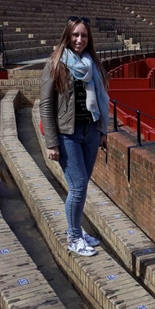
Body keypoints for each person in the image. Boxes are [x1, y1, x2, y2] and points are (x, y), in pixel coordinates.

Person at [40, 16, 109, 256]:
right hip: (67, 135)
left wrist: (102, 131)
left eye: (84, 35)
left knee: (82, 186)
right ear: (68, 36)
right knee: (78, 187)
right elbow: (46, 105)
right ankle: (73, 237)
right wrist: (51, 143)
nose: (79, 40)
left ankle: (77, 230)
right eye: (75, 35)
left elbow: (101, 100)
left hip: (90, 131)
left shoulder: (92, 62)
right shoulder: (56, 63)